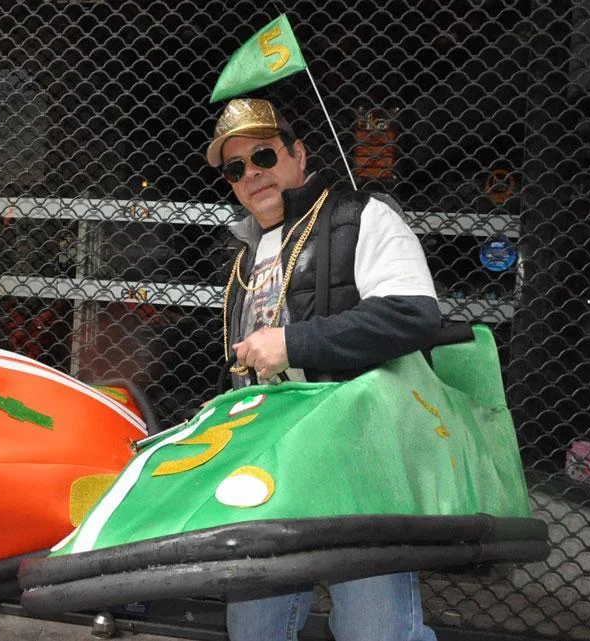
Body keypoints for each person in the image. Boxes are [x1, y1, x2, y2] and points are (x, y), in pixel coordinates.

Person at [206, 98, 441, 641]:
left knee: (376, 632)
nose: (251, 173)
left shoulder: (362, 215)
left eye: (264, 155)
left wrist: (293, 343)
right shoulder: (244, 254)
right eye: (235, 168)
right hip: (266, 470)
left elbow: (413, 314)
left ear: (298, 154)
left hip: (358, 466)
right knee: (253, 631)